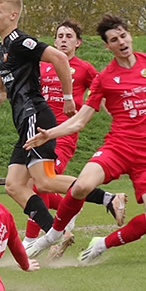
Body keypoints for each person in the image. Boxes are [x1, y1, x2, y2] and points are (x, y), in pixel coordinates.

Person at [23, 14, 146, 263]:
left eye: (123, 36)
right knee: (82, 186)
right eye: (113, 39)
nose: (121, 42)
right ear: (107, 46)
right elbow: (80, 120)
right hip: (117, 148)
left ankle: (102, 244)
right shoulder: (105, 78)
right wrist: (49, 134)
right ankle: (52, 235)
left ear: (129, 36)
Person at [0, 0, 125, 244]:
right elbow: (0, 91)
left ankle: (108, 199)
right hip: (24, 123)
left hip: (36, 116)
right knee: (13, 185)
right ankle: (58, 232)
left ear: (13, 15)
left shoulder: (21, 41)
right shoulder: (2, 49)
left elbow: (60, 58)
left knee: (44, 181)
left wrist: (68, 97)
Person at [21, 19, 99, 258]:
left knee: (39, 182)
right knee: (26, 186)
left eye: (68, 36)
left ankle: (30, 241)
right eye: (60, 36)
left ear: (78, 42)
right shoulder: (42, 65)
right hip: (36, 133)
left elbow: (102, 91)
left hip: (62, 135)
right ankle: (71, 204)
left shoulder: (84, 68)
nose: (63, 39)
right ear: (54, 41)